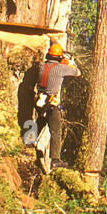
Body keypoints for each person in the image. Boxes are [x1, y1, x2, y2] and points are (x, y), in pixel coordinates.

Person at [34, 41, 80, 171]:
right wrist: (70, 62)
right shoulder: (61, 68)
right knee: (56, 130)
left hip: (40, 100)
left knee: (39, 123)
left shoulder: (42, 66)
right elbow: (77, 73)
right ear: (59, 57)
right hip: (51, 103)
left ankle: (29, 143)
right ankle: (55, 159)